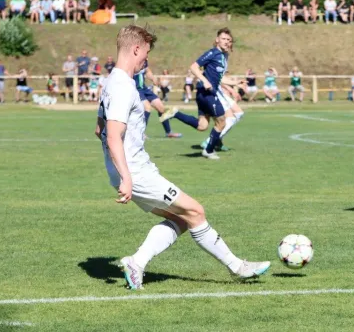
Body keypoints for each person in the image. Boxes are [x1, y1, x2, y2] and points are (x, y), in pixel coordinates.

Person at [95, 25, 270, 289]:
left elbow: (99, 129)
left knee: (181, 219)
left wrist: (119, 164)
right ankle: (238, 267)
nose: (146, 60)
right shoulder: (123, 86)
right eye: (146, 54)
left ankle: (136, 263)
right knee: (196, 211)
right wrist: (127, 176)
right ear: (136, 49)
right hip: (134, 172)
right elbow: (111, 135)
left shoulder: (111, 82)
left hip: (128, 169)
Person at [159, 28, 234, 160]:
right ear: (217, 40)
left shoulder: (222, 56)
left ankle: (176, 113)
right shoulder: (212, 53)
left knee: (202, 126)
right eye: (223, 39)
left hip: (206, 93)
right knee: (222, 122)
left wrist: (236, 83)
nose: (226, 42)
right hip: (207, 93)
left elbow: (219, 78)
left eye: (229, 40)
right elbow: (193, 66)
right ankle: (209, 150)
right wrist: (204, 80)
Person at [132, 60, 182, 139]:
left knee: (161, 107)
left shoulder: (144, 60)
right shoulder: (132, 60)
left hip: (144, 89)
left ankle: (168, 132)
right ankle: (140, 133)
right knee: (147, 108)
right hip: (135, 89)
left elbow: (147, 70)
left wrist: (153, 78)